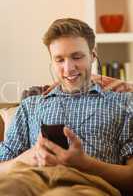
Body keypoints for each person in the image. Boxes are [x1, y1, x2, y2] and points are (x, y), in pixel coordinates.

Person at [0, 18, 133, 196]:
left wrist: (86, 164)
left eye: (77, 57)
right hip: (32, 180)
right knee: (9, 188)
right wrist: (28, 157)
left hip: (87, 185)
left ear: (93, 55)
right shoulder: (31, 106)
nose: (68, 68)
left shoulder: (124, 104)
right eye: (59, 60)